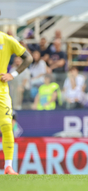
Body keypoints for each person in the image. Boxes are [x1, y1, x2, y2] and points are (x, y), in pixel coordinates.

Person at [0, 31, 33, 174]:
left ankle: (8, 166)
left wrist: (12, 74)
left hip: (1, 91)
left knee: (7, 125)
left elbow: (28, 58)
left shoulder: (7, 40)